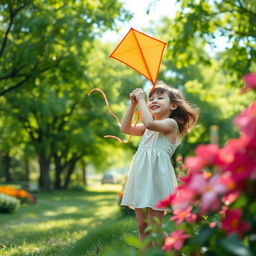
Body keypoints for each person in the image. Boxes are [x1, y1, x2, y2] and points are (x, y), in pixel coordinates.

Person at [120, 82, 199, 244]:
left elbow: (150, 123)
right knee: (142, 227)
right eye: (151, 98)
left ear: (173, 106)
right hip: (142, 176)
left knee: (154, 229)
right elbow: (125, 128)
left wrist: (142, 100)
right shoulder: (147, 128)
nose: (153, 101)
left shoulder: (171, 124)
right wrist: (133, 103)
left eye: (160, 98)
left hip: (157, 178)